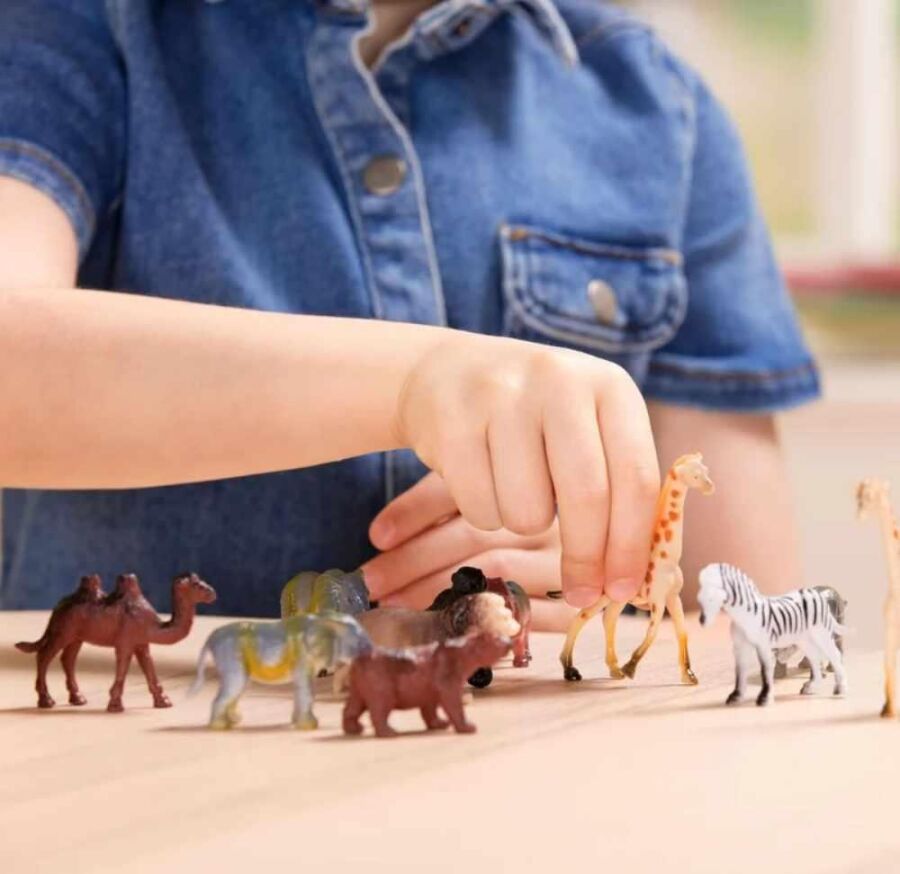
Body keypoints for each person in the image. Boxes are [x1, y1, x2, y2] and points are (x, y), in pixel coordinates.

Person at [0, 0, 818, 625]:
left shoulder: (659, 107)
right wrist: (420, 380)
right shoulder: (73, 27)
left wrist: (607, 570)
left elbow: (752, 612)